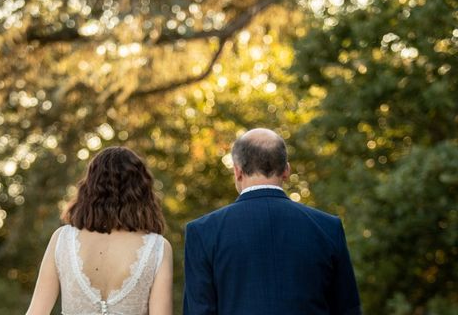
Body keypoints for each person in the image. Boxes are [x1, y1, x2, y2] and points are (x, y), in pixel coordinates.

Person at [183, 128, 362, 315]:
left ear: (237, 171)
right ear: (286, 170)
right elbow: (348, 310)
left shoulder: (203, 232)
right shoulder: (328, 227)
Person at [26, 146, 173, 315]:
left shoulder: (62, 239)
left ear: (90, 186)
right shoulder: (157, 247)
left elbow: (36, 312)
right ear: (141, 190)